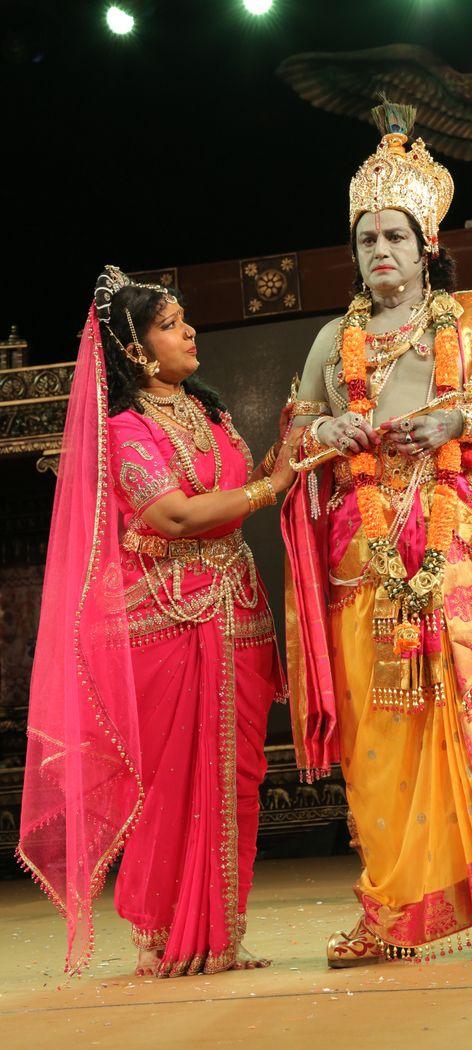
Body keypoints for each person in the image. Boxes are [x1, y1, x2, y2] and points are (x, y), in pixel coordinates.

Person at [282, 102, 472, 966]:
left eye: (395, 236)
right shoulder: (335, 338)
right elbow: (294, 436)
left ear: (426, 244)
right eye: (365, 236)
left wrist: (461, 422)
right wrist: (327, 435)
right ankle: (388, 912)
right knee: (380, 742)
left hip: (454, 559)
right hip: (363, 564)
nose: (378, 251)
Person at [18, 266, 296, 978]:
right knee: (171, 783)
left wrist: (289, 451)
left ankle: (221, 936)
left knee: (236, 779)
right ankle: (164, 936)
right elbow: (170, 516)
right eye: (172, 324)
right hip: (165, 624)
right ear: (137, 350)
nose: (190, 331)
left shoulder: (209, 412)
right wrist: (270, 486)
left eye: (184, 320)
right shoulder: (125, 430)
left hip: (236, 614)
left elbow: (234, 492)